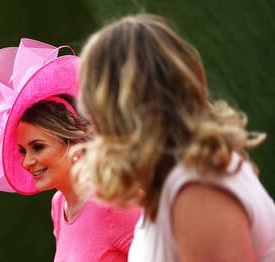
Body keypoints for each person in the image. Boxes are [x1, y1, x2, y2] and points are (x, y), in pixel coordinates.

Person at [77, 14, 275, 261]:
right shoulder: (178, 181)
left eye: (94, 110)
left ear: (118, 113)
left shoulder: (198, 192)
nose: (92, 127)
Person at [0, 38, 140, 261]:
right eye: (22, 151)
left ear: (72, 140)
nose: (27, 162)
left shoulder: (113, 200)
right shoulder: (59, 206)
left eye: (38, 147)